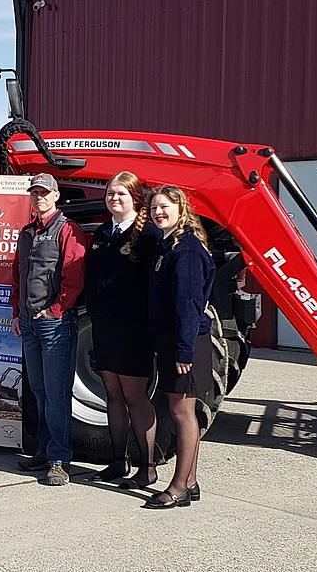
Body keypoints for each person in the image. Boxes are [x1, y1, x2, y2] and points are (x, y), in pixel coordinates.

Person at [84, 171, 162, 488]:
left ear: (135, 198)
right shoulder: (103, 233)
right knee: (113, 397)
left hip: (133, 331)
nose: (114, 199)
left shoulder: (147, 236)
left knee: (135, 399)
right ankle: (118, 462)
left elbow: (155, 285)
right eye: (110, 193)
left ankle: (147, 466)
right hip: (105, 328)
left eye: (121, 194)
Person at [11, 172, 88, 486]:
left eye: (44, 193)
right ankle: (43, 451)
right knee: (40, 392)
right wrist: (17, 313)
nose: (39, 197)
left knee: (56, 394)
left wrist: (54, 310)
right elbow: (18, 275)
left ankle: (59, 460)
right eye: (35, 193)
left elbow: (75, 278)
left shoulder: (68, 230)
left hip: (54, 325)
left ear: (56, 196)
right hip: (28, 323)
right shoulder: (27, 232)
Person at [144, 185, 215, 509]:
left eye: (165, 207)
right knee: (184, 412)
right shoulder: (169, 243)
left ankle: (177, 488)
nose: (159, 212)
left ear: (181, 209)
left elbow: (188, 305)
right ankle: (191, 481)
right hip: (176, 340)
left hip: (185, 342)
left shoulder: (185, 252)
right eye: (155, 207)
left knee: (182, 413)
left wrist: (184, 351)